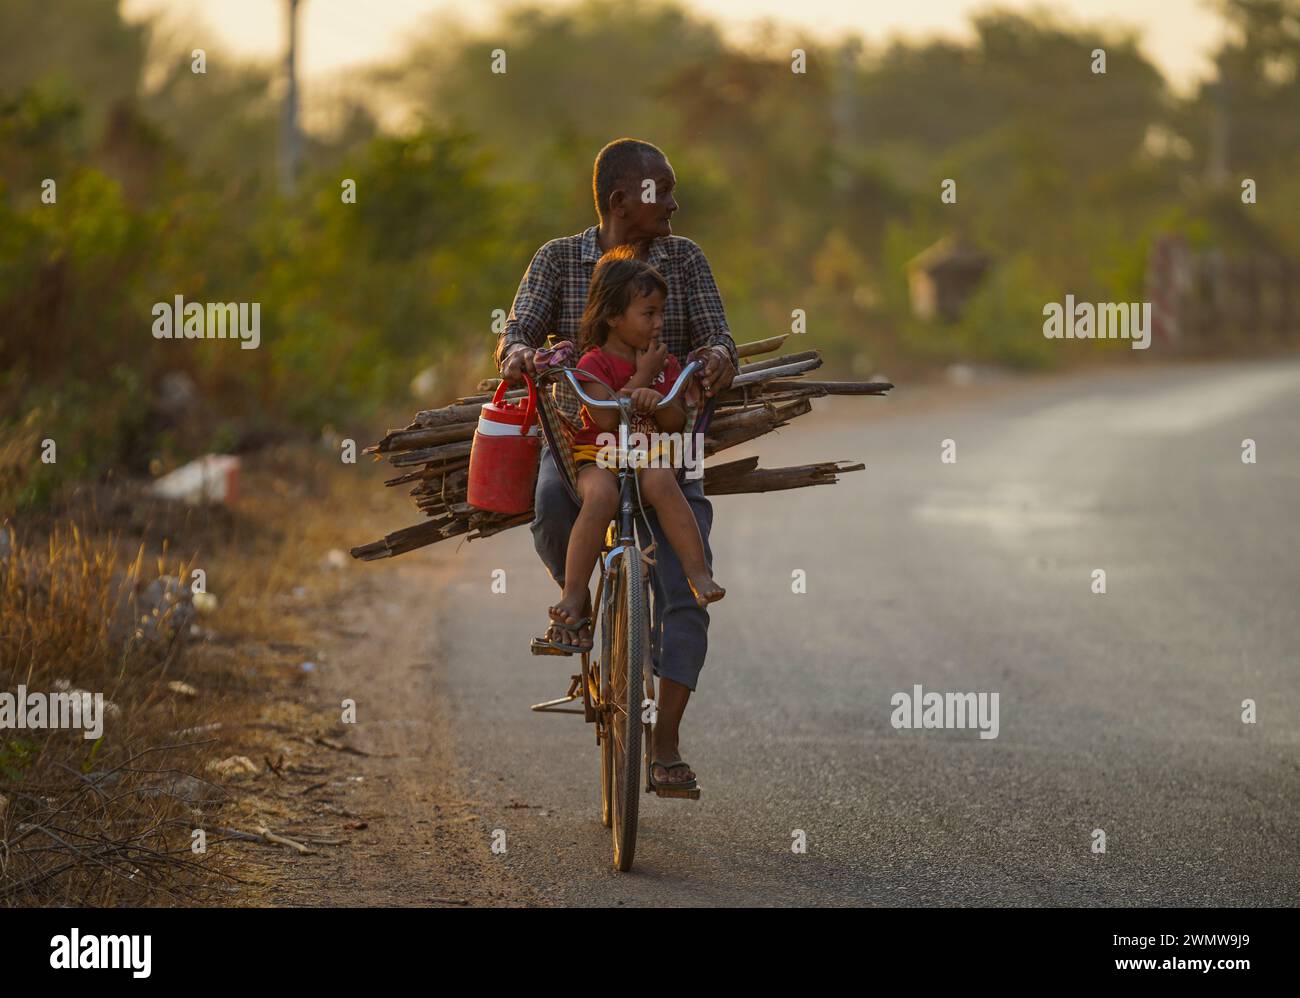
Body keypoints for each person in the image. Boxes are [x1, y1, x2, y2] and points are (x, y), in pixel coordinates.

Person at [496, 137, 738, 790]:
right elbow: (516, 331)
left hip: (663, 437)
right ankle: (580, 603)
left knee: (688, 591)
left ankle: (664, 745)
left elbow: (720, 334)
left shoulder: (685, 260)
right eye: (665, 188)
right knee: (553, 507)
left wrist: (716, 358)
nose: (677, 202)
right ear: (622, 200)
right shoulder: (557, 260)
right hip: (583, 439)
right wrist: (517, 353)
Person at [547, 247, 725, 644]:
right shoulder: (593, 363)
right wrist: (639, 380)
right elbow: (605, 418)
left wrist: (659, 397)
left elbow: (677, 420)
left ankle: (696, 573)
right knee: (599, 498)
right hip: (601, 453)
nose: (659, 323)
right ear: (613, 317)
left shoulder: (668, 364)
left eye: (661, 312)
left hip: (648, 454)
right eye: (649, 313)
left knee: (663, 483)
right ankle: (575, 593)